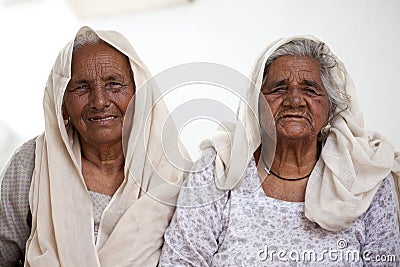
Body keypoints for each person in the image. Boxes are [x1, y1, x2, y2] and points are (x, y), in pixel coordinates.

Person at [159, 35, 400, 266]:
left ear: (330, 108)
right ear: (257, 104)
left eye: (310, 89)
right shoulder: (221, 166)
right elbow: (182, 261)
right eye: (279, 88)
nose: (294, 100)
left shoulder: (365, 177)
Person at [0, 26, 186, 266]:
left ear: (139, 95)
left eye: (114, 84)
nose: (99, 101)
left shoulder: (172, 170)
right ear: (62, 104)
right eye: (81, 87)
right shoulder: (32, 163)